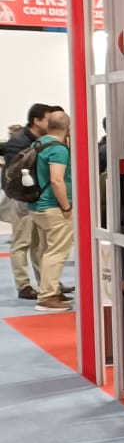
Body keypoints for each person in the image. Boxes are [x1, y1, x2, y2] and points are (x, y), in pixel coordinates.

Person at [4, 103, 57, 301]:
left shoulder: (40, 139)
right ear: (36, 121)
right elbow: (14, 173)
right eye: (47, 119)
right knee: (22, 242)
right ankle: (23, 285)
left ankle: (46, 282)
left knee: (39, 243)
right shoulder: (19, 142)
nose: (51, 123)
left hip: (37, 197)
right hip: (22, 198)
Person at [29, 109, 75, 314]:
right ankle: (47, 296)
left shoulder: (38, 144)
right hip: (53, 206)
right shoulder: (59, 150)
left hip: (36, 205)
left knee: (44, 250)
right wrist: (66, 206)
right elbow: (57, 180)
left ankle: (51, 289)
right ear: (67, 128)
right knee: (57, 251)